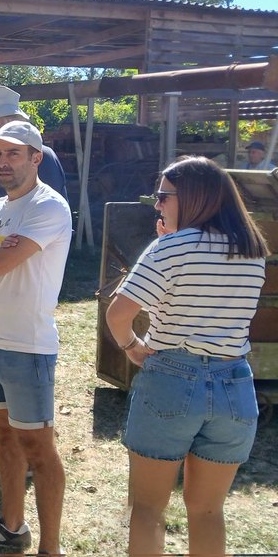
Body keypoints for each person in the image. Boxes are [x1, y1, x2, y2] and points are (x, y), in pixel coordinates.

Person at [106, 156, 267, 555]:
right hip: (235, 385)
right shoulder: (252, 250)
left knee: (147, 508)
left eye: (163, 196)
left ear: (195, 198)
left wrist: (131, 346)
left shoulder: (170, 247)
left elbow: (118, 313)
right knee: (208, 511)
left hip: (172, 379)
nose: (157, 204)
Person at [0, 120, 72, 554]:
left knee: (39, 448)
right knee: (4, 438)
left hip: (26, 347)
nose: (3, 162)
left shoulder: (49, 207)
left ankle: (50, 548)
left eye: (13, 154)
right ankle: (12, 527)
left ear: (36, 158)